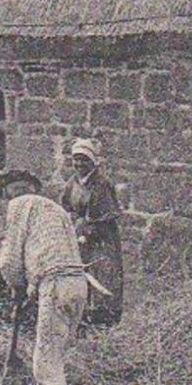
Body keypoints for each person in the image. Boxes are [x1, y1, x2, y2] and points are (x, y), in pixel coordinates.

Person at [0, 169, 92, 385]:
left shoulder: (19, 206)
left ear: (13, 191)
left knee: (45, 362)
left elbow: (11, 258)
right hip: (78, 284)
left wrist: (16, 287)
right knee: (52, 356)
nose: (6, 198)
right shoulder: (56, 210)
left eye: (6, 192)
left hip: (55, 283)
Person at [60, 137, 124, 326]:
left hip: (100, 241)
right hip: (78, 237)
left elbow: (105, 218)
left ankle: (101, 322)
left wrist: (86, 233)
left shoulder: (101, 184)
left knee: (101, 279)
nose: (79, 164)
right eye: (76, 159)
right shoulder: (73, 182)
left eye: (84, 160)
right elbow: (65, 207)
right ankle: (79, 318)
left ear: (92, 162)